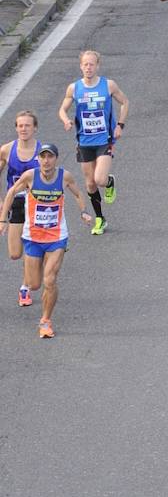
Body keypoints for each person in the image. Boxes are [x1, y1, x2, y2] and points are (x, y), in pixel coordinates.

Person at [0, 144, 91, 338]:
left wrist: (83, 211)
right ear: (38, 159)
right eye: (43, 157)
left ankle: (46, 320)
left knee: (49, 279)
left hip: (56, 237)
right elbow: (11, 193)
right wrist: (3, 219)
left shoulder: (64, 177)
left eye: (50, 157)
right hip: (33, 237)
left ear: (55, 159)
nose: (46, 160)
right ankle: (28, 277)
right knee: (34, 284)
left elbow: (77, 193)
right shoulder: (30, 177)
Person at [58, 49, 128, 233]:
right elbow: (62, 109)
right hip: (84, 141)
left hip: (104, 139)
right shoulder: (74, 88)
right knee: (89, 183)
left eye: (92, 64)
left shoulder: (108, 85)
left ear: (98, 66)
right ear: (81, 66)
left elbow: (125, 102)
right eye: (85, 64)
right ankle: (100, 219)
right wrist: (66, 120)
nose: (88, 67)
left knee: (99, 179)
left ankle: (109, 182)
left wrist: (120, 125)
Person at [0, 111, 40, 308]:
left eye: (28, 125)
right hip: (15, 203)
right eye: (20, 126)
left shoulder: (43, 152)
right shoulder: (7, 150)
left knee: (30, 250)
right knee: (15, 253)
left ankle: (25, 287)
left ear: (35, 128)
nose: (24, 129)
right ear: (16, 128)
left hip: (36, 206)